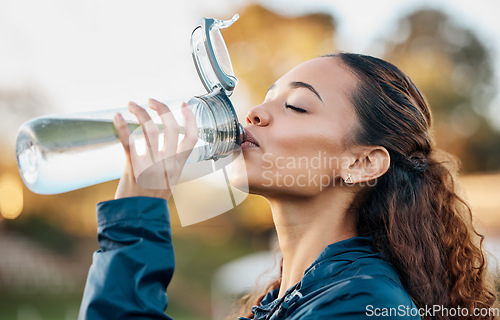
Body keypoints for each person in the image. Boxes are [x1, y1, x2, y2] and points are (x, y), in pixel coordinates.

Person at [78, 52, 498, 320]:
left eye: (296, 105)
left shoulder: (362, 307)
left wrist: (135, 227)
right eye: (265, 97)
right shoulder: (285, 301)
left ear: (363, 162)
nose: (255, 112)